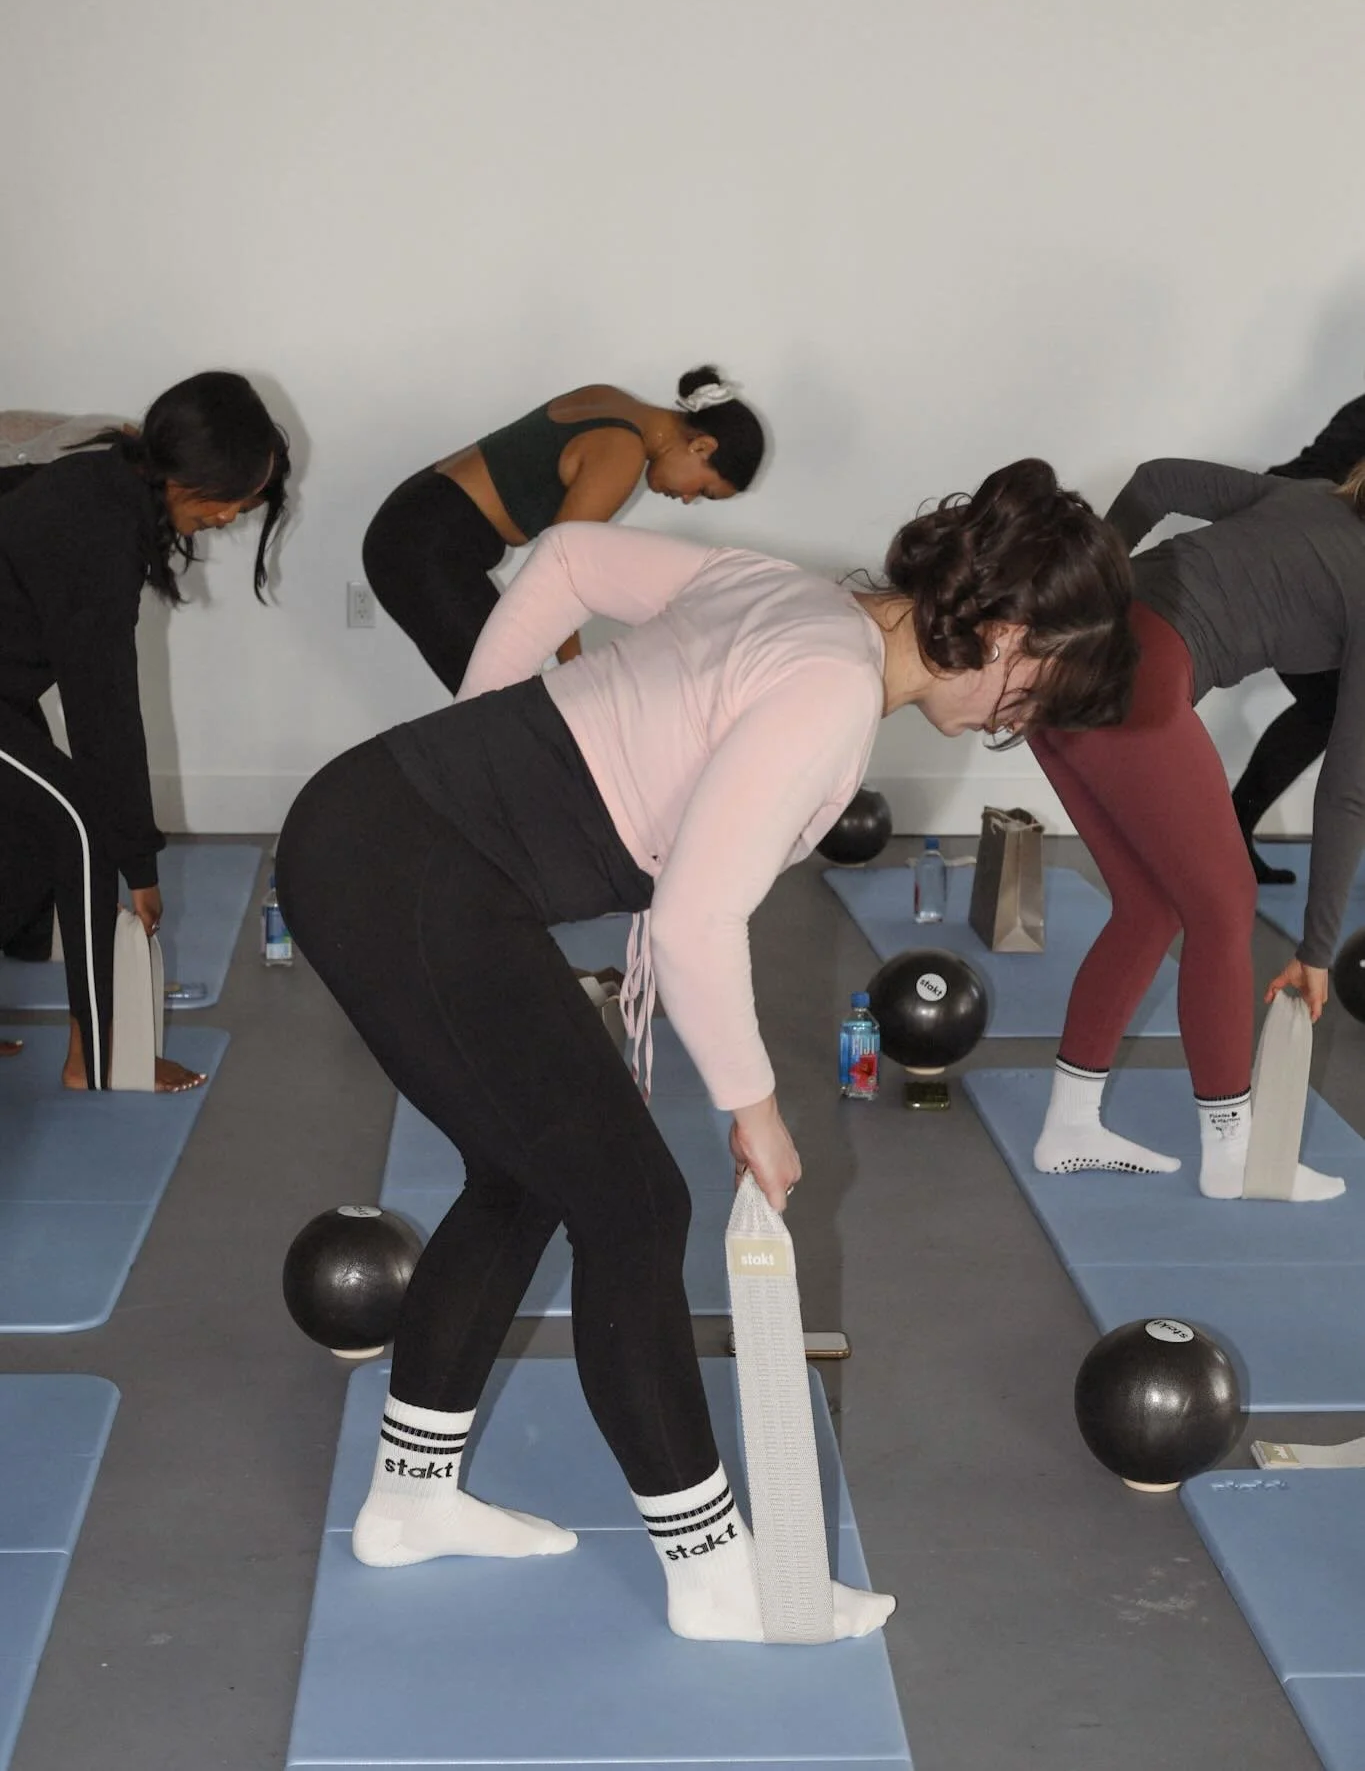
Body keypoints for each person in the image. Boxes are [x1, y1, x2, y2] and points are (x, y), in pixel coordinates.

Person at [275, 458, 1135, 1641]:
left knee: (529, 1175)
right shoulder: (830, 689)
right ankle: (713, 1569)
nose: (1024, 717)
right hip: (408, 873)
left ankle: (410, 1498)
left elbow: (568, 560)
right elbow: (691, 921)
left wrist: (468, 740)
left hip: (379, 836)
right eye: (1041, 684)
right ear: (1002, 631)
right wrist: (756, 1108)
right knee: (634, 1206)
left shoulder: (794, 597)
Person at [1030, 455, 1365, 1203]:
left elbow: (1155, 480)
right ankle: (1232, 1155)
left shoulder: (1306, 496)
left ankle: (1070, 1126)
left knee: (1149, 907)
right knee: (1224, 906)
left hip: (1056, 660)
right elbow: (1348, 789)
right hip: (1132, 679)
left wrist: (1084, 597)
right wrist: (1315, 952)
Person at [0, 372, 290, 1088]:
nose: (231, 516)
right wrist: (140, 864)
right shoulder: (96, 530)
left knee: (31, 842)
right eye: (230, 498)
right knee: (82, 829)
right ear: (187, 475)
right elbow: (105, 715)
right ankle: (100, 1059)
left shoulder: (111, 481)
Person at [361, 366, 765, 694]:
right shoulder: (621, 452)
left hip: (413, 520)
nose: (688, 499)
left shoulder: (612, 400)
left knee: (500, 711)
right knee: (507, 712)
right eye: (704, 490)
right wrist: (573, 671)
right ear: (702, 447)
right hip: (425, 546)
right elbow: (559, 572)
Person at [1231, 387, 1365, 882]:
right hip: (1287, 550)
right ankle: (1228, 835)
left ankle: (1230, 834)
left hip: (1296, 548)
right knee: (1333, 705)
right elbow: (1312, 478)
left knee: (1327, 707)